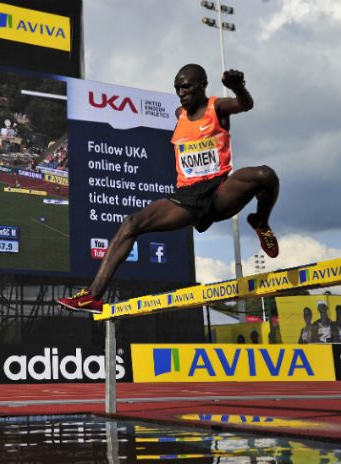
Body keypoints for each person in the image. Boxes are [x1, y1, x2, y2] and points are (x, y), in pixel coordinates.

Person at [57, 64, 280, 313]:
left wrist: (238, 88)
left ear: (203, 85)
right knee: (131, 223)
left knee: (265, 175)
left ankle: (261, 223)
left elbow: (245, 105)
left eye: (186, 86)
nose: (181, 93)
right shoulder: (179, 114)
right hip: (186, 197)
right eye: (177, 88)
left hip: (219, 191)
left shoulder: (217, 107)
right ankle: (93, 296)